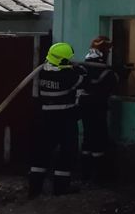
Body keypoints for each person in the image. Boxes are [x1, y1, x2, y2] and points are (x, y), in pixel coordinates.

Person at [28, 42, 86, 197]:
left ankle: (34, 189)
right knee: (67, 152)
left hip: (45, 118)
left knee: (41, 152)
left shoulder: (42, 72)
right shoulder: (68, 76)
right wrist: (79, 69)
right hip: (64, 119)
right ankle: (61, 189)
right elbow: (83, 80)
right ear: (64, 60)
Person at [78, 36, 118, 183]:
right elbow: (111, 84)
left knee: (88, 138)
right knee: (99, 139)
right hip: (97, 107)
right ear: (104, 51)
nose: (109, 52)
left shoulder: (83, 66)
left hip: (84, 106)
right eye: (108, 50)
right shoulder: (104, 70)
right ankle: (100, 177)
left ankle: (85, 175)